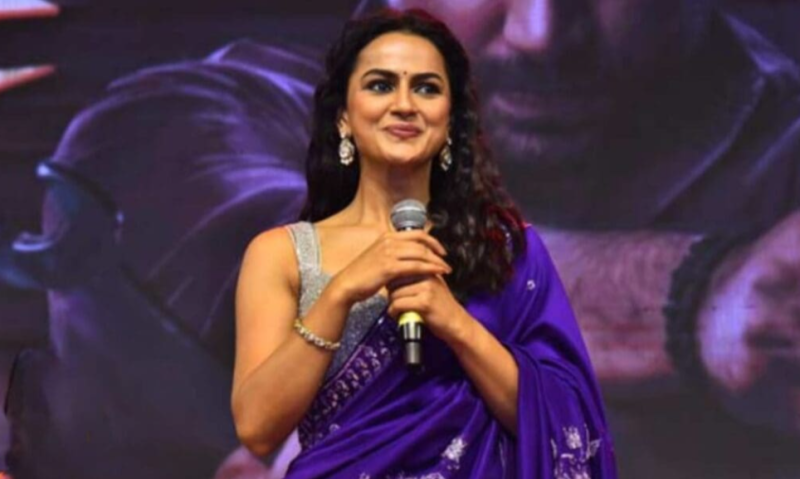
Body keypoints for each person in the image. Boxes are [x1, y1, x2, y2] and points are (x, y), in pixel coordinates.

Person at [232, 9, 617, 478]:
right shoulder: (282, 254)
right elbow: (257, 429)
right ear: (343, 118)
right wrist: (339, 294)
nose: (404, 104)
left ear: (451, 122)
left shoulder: (505, 250)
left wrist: (456, 325)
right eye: (380, 85)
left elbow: (563, 424)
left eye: (427, 88)